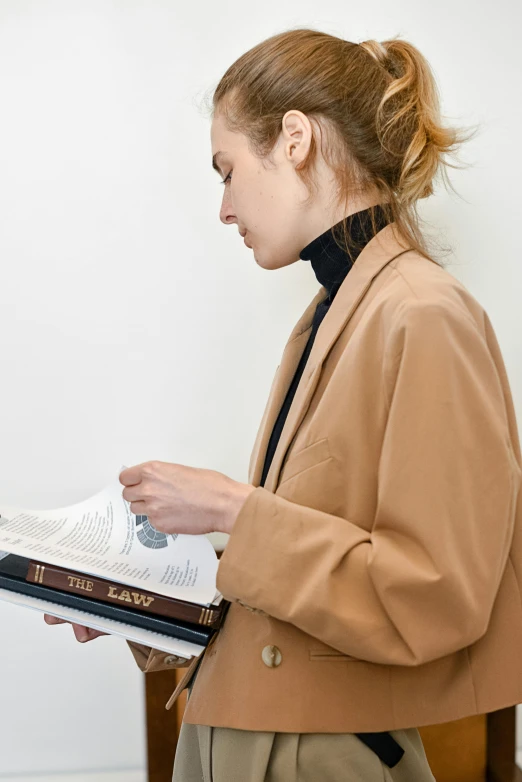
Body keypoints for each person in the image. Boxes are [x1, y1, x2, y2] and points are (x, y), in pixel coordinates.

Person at [45, 28, 522, 782]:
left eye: (227, 170)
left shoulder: (421, 313)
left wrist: (235, 509)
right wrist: (139, 603)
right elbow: (310, 593)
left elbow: (435, 597)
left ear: (294, 139)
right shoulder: (329, 316)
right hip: (240, 738)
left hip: (317, 756)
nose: (225, 208)